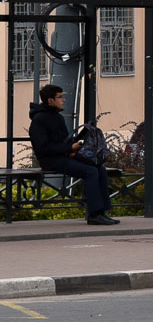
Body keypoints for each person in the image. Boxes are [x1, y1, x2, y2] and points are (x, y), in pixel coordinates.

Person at [28, 84, 119, 226]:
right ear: (50, 101)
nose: (63, 100)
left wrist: (77, 144)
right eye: (60, 97)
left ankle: (102, 212)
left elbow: (64, 140)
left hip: (64, 155)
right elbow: (43, 147)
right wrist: (69, 148)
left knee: (99, 168)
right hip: (51, 160)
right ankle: (93, 214)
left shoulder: (58, 117)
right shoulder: (39, 120)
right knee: (90, 172)